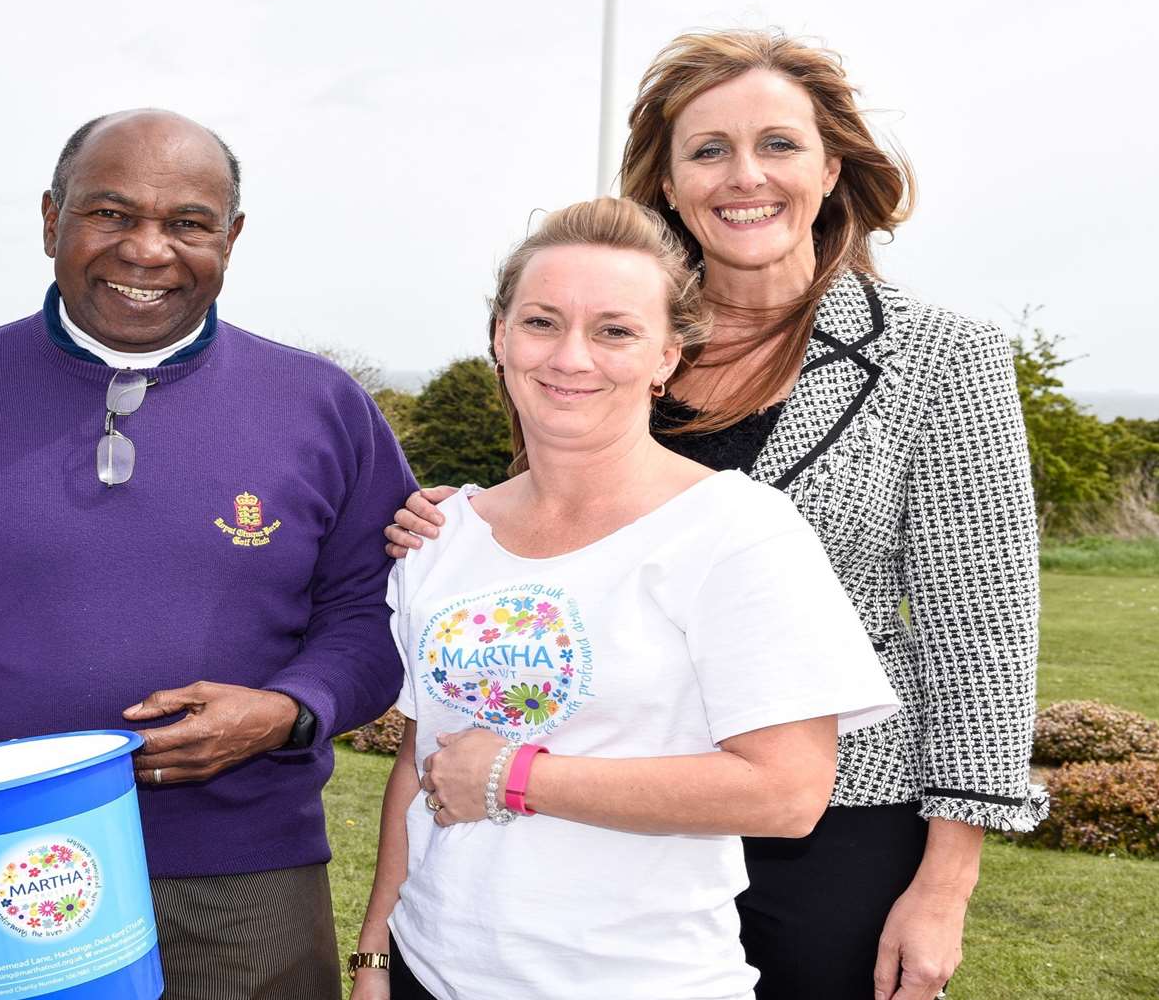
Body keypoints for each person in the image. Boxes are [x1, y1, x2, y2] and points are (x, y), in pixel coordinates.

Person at [386, 29, 1044, 1000]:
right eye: (709, 150)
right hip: (598, 820)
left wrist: (945, 883)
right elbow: (563, 533)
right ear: (671, 180)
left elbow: (981, 639)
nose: (746, 176)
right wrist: (453, 524)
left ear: (831, 168)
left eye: (778, 144)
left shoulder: (945, 360)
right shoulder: (613, 336)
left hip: (830, 825)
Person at [0, 108, 415, 1000]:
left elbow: (371, 616)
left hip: (242, 875)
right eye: (110, 213)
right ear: (49, 220)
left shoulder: (323, 406)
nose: (147, 251)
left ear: (233, 238)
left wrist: (288, 709)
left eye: (188, 223)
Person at [349, 196, 899, 1000]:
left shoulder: (734, 530)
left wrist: (516, 775)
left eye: (615, 330)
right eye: (541, 322)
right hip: (432, 971)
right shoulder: (443, 534)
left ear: (667, 356)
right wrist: (374, 957)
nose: (572, 357)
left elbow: (787, 792)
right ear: (500, 338)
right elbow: (422, 757)